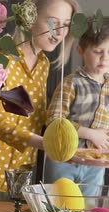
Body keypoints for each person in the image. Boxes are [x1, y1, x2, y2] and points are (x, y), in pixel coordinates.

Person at [0, 0, 79, 198]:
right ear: (30, 21)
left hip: (20, 174)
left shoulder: (43, 63)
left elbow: (35, 117)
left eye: (66, 24)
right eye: (53, 22)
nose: (60, 32)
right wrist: (48, 144)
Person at [43, 19, 109, 191]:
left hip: (96, 164)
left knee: (87, 211)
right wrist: (91, 134)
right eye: (97, 51)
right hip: (63, 159)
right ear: (80, 50)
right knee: (58, 206)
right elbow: (54, 120)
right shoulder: (71, 83)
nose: (105, 58)